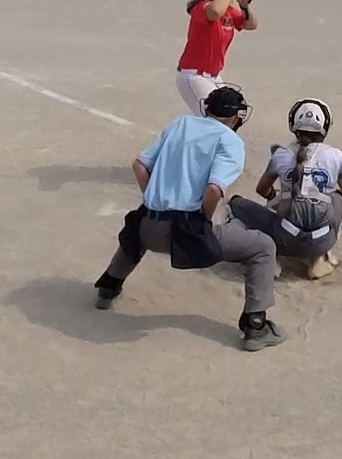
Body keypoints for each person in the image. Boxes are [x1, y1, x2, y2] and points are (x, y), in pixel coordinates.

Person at [93, 85, 286, 352]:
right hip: (184, 234)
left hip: (146, 228)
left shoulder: (180, 124)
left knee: (137, 223)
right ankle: (256, 325)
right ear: (235, 117)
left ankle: (108, 286)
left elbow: (140, 165)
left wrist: (152, 200)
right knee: (262, 246)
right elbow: (214, 189)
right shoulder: (230, 140)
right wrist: (202, 220)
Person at [229, 98, 342, 281]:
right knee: (339, 196)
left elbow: (262, 189)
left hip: (284, 238)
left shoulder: (281, 155)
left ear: (293, 125)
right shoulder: (336, 156)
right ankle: (318, 259)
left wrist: (276, 199)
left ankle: (268, 259)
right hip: (322, 240)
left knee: (235, 205)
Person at [176, 0, 257, 115]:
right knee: (214, 117)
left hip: (213, 76)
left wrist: (245, 7)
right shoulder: (203, 7)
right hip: (195, 75)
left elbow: (251, 25)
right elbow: (214, 12)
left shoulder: (227, 10)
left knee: (231, 113)